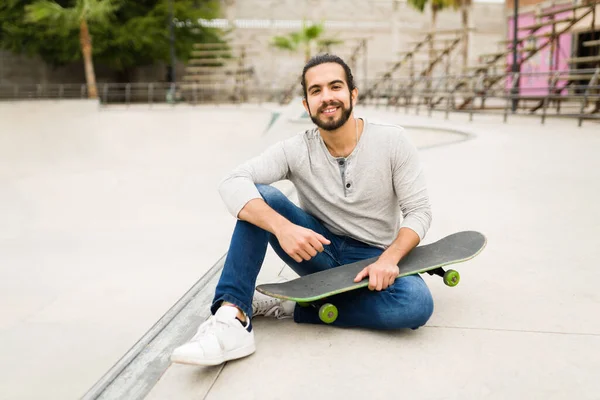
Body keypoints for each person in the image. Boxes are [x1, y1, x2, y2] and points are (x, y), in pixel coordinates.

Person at [171, 54, 434, 367]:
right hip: (316, 251)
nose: (326, 97)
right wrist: (283, 228)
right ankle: (232, 317)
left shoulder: (392, 140)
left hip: (373, 258)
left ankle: (294, 305)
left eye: (335, 87)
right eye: (316, 91)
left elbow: (419, 211)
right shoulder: (294, 149)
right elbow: (232, 181)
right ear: (306, 104)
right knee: (262, 197)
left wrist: (389, 260)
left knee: (416, 304)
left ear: (353, 94)